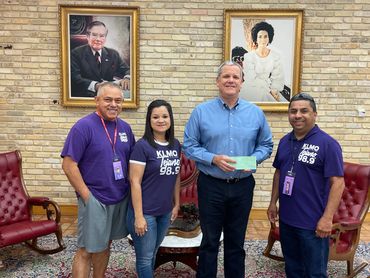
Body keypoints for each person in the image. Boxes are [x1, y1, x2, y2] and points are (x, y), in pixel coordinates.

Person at [183, 61, 273, 278]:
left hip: (242, 186)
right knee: (210, 241)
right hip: (211, 185)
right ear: (218, 81)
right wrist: (213, 158)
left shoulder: (256, 113)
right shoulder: (201, 112)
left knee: (236, 242)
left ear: (242, 82)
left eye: (235, 77)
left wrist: (253, 159)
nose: (231, 80)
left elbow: (266, 145)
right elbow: (189, 145)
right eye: (226, 76)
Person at [61, 82, 135, 277]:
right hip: (94, 199)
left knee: (105, 244)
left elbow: (130, 164)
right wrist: (87, 197)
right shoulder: (83, 127)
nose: (113, 104)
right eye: (108, 99)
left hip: (118, 197)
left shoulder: (126, 129)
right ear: (96, 100)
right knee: (86, 249)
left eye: (118, 100)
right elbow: (69, 165)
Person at [267, 93, 345, 277]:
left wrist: (327, 218)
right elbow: (279, 173)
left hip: (313, 224)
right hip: (287, 220)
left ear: (314, 114)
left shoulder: (328, 144)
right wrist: (273, 203)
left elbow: (338, 183)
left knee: (315, 273)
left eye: (304, 111)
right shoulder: (285, 141)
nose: (298, 115)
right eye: (293, 111)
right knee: (293, 268)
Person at [127, 99, 181, 277]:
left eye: (165, 116)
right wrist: (139, 216)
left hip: (165, 211)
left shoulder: (175, 145)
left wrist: (176, 204)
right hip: (146, 212)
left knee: (153, 252)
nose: (161, 120)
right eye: (155, 117)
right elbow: (134, 181)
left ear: (170, 119)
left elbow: (176, 176)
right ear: (149, 120)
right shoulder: (142, 146)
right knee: (144, 257)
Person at [71, 21, 130, 98]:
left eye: (102, 36)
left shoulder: (113, 54)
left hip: (109, 96)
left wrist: (127, 78)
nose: (98, 39)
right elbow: (75, 78)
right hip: (86, 96)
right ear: (88, 36)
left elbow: (126, 69)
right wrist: (96, 85)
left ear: (105, 38)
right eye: (94, 35)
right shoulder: (76, 53)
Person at [239, 21, 285, 102]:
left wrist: (274, 90)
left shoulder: (275, 56)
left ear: (269, 38)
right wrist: (268, 89)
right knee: (262, 95)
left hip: (268, 88)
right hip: (251, 88)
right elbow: (251, 79)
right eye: (260, 36)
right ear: (256, 39)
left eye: (265, 36)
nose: (263, 40)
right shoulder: (249, 57)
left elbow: (278, 77)